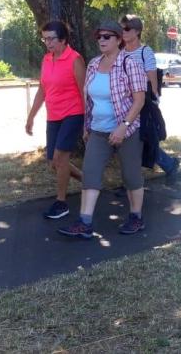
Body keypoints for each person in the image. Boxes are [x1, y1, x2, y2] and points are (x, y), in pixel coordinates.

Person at [57, 21, 146, 238]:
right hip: (98, 130)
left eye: (107, 36)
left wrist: (123, 126)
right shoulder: (94, 64)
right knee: (90, 174)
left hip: (127, 130)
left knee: (131, 176)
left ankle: (136, 217)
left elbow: (139, 100)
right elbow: (89, 99)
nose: (101, 40)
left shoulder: (129, 64)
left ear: (119, 40)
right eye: (99, 37)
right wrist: (86, 126)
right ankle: (85, 222)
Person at [26, 20, 85, 219]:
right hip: (54, 115)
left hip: (73, 113)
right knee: (53, 161)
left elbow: (84, 92)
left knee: (61, 158)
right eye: (45, 39)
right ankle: (87, 181)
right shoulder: (46, 59)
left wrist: (87, 122)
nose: (48, 43)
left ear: (63, 39)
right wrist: (31, 116)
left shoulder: (75, 59)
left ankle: (61, 203)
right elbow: (42, 90)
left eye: (51, 39)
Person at [120, 14, 180, 175]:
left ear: (137, 31)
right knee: (138, 137)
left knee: (143, 136)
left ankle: (165, 165)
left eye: (127, 28)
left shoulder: (145, 52)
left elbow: (152, 78)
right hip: (124, 102)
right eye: (122, 28)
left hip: (142, 102)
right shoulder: (120, 53)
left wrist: (154, 100)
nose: (123, 31)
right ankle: (169, 164)